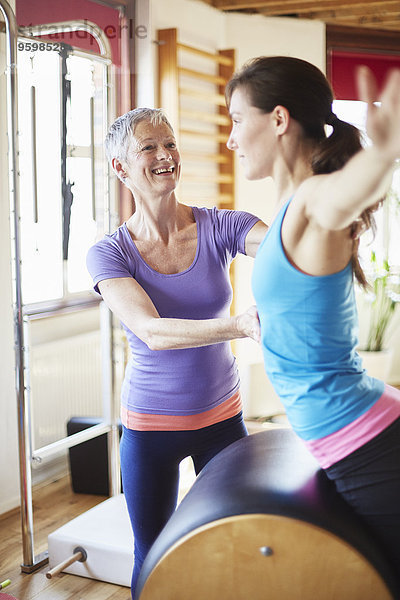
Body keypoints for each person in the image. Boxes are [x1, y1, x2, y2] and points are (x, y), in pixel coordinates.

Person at [225, 56, 400, 586]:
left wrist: (386, 154)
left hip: (367, 445)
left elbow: (346, 194)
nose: (231, 138)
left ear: (278, 119)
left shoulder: (313, 198)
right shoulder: (284, 205)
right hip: (356, 434)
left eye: (236, 119)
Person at [86, 107, 267, 597]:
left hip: (222, 422)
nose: (165, 155)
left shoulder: (221, 225)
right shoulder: (110, 252)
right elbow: (151, 331)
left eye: (169, 144)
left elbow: (279, 248)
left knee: (238, 539)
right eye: (149, 147)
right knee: (154, 553)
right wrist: (239, 325)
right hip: (150, 431)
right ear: (120, 167)